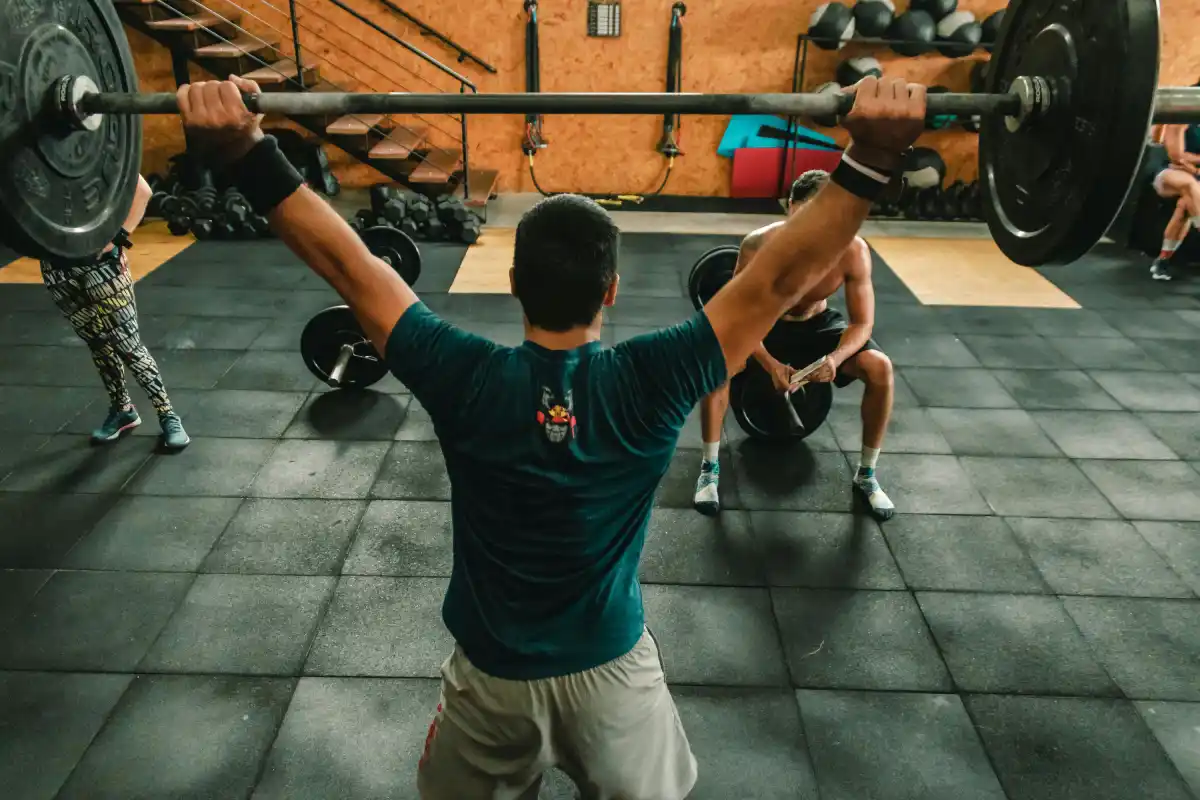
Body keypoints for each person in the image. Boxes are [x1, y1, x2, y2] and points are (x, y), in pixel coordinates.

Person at [177, 74, 924, 800]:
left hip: (492, 682)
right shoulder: (654, 379)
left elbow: (351, 265)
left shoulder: (461, 375)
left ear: (512, 282)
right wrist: (870, 159)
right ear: (612, 291)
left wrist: (246, 149)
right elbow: (774, 283)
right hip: (613, 680)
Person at [693, 170, 896, 521]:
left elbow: (862, 322)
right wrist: (768, 362)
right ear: (790, 207)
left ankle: (867, 474)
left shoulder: (853, 250)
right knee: (719, 364)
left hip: (818, 327)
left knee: (879, 367)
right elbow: (737, 314)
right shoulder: (758, 244)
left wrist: (835, 359)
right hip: (764, 323)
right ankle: (709, 469)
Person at [40, 175, 190, 449]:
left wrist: (118, 238)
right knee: (97, 343)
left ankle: (167, 414)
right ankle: (123, 410)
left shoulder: (94, 147)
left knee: (128, 345)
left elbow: (141, 190)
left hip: (102, 267)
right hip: (57, 268)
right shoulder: (32, 157)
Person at [1147, 119, 1200, 281]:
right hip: (1169, 173)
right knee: (1189, 185)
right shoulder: (1181, 120)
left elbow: (1186, 158)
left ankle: (1162, 260)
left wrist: (1193, 165)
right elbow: (1177, 156)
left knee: (1185, 206)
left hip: (1194, 173)